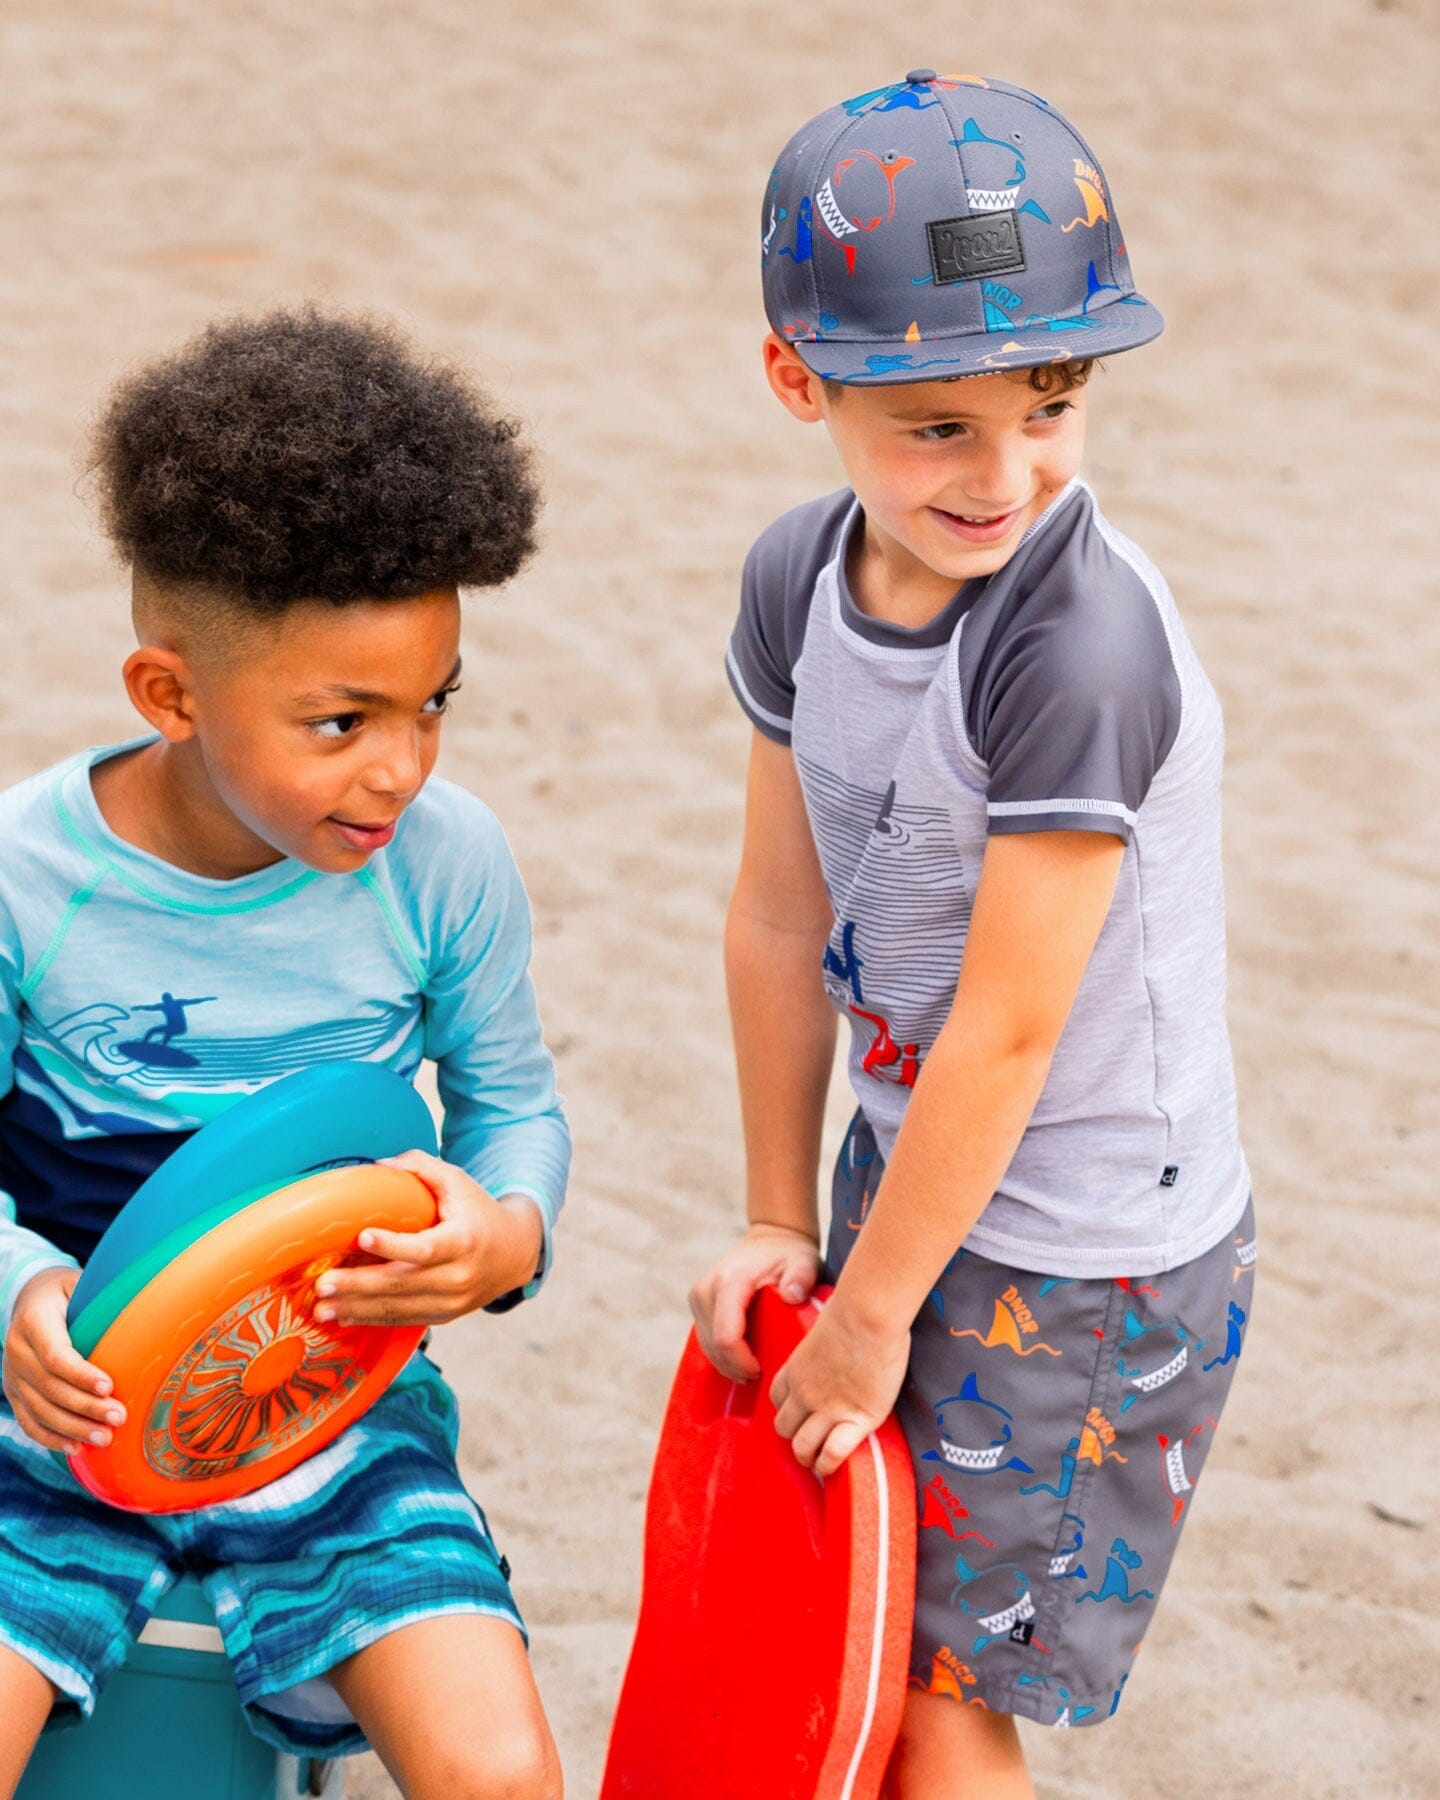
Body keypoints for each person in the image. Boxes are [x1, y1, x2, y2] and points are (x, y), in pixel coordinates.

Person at [689, 72, 1256, 1798]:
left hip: (1090, 1248)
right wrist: (786, 1217)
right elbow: (779, 912)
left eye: (1052, 405)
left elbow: (1014, 1029)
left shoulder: (1077, 650)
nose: (1005, 473)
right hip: (915, 1167)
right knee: (856, 1649)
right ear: (799, 379)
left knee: (943, 1699)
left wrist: (870, 1317)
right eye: (935, 425)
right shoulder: (798, 578)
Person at [0, 308, 568, 1800]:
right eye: (339, 721)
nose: (402, 767)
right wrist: (17, 1301)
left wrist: (504, 1234)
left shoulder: (443, 865)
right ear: (170, 695)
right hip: (52, 1410)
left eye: (432, 705)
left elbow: (511, 1103)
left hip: (334, 1406)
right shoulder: (29, 879)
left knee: (501, 1772)